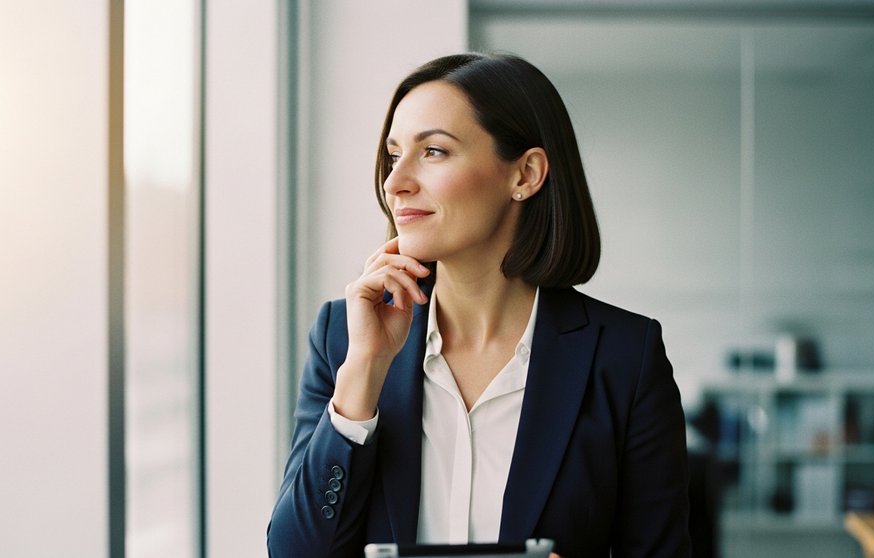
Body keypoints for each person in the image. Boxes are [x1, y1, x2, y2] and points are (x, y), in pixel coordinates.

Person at [267, 52, 690, 558]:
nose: (394, 181)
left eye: (434, 152)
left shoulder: (625, 359)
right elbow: (294, 553)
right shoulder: (345, 337)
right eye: (392, 155)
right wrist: (363, 373)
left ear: (526, 175)